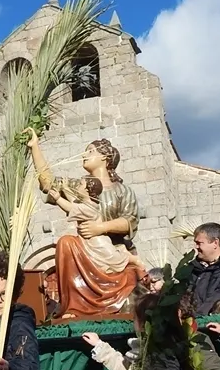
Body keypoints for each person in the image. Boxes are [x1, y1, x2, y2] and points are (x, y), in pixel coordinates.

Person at [25, 128, 141, 317]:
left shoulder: (122, 190)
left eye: (90, 151)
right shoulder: (79, 187)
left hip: (112, 251)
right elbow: (48, 182)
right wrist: (35, 147)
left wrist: (100, 228)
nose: (84, 155)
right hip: (86, 249)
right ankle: (74, 307)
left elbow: (129, 221)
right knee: (66, 242)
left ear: (105, 157)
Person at [48, 177, 144, 273]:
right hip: (88, 241)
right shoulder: (87, 203)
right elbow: (74, 202)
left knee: (113, 259)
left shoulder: (89, 208)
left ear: (86, 190)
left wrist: (58, 198)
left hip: (97, 242)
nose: (77, 186)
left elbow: (70, 207)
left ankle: (133, 259)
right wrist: (65, 189)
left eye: (80, 184)